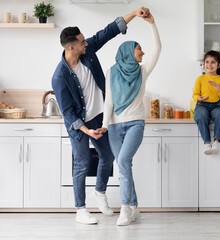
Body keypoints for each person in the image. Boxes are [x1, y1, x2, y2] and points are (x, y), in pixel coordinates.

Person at [51, 7, 150, 225]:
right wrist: (86, 130)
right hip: (79, 125)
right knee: (82, 162)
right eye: (81, 41)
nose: (86, 43)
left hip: (99, 117)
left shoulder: (87, 52)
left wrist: (134, 14)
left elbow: (108, 31)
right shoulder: (59, 77)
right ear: (71, 47)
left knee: (109, 156)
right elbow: (68, 113)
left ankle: (100, 192)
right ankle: (81, 210)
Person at [97, 11, 161, 226]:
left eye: (142, 49)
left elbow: (158, 49)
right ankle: (134, 208)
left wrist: (152, 24)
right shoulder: (111, 72)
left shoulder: (142, 72)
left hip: (135, 123)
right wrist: (105, 125)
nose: (142, 52)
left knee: (123, 162)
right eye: (139, 48)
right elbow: (109, 102)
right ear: (127, 51)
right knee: (125, 166)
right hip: (115, 126)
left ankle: (125, 208)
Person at [192, 50, 220, 155]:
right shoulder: (200, 79)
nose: (209, 65)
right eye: (207, 62)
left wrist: (217, 87)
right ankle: (207, 143)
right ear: (204, 64)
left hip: (216, 105)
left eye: (213, 62)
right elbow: (194, 94)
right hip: (202, 105)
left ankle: (216, 142)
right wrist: (199, 98)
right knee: (201, 115)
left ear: (219, 65)